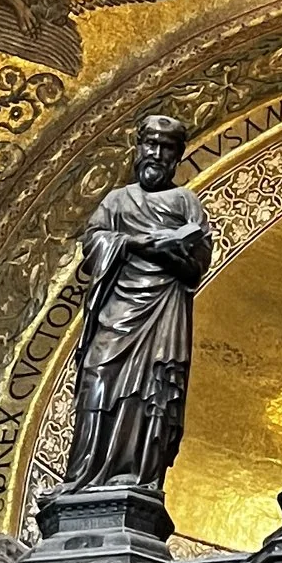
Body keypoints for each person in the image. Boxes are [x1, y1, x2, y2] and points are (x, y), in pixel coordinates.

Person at [64, 114, 211, 491]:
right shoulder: (116, 201)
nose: (156, 155)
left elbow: (196, 266)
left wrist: (166, 251)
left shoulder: (185, 202)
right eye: (151, 145)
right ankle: (84, 476)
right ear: (138, 148)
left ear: (177, 156)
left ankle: (139, 476)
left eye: (166, 148)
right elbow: (93, 245)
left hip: (161, 315)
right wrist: (137, 243)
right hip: (117, 310)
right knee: (97, 378)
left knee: (150, 392)